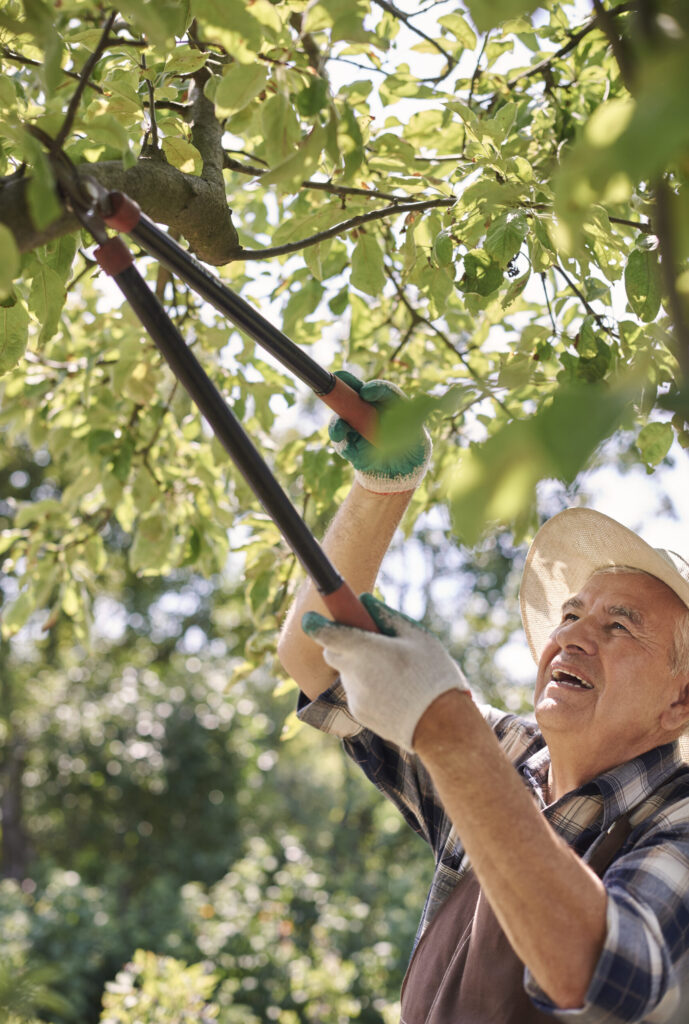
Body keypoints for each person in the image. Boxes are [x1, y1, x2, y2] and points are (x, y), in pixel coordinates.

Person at [277, 376, 689, 1023]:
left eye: (617, 627)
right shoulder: (508, 755)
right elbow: (314, 660)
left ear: (680, 702)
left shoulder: (680, 820)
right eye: (570, 615)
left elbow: (603, 975)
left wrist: (447, 731)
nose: (572, 637)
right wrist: (380, 494)